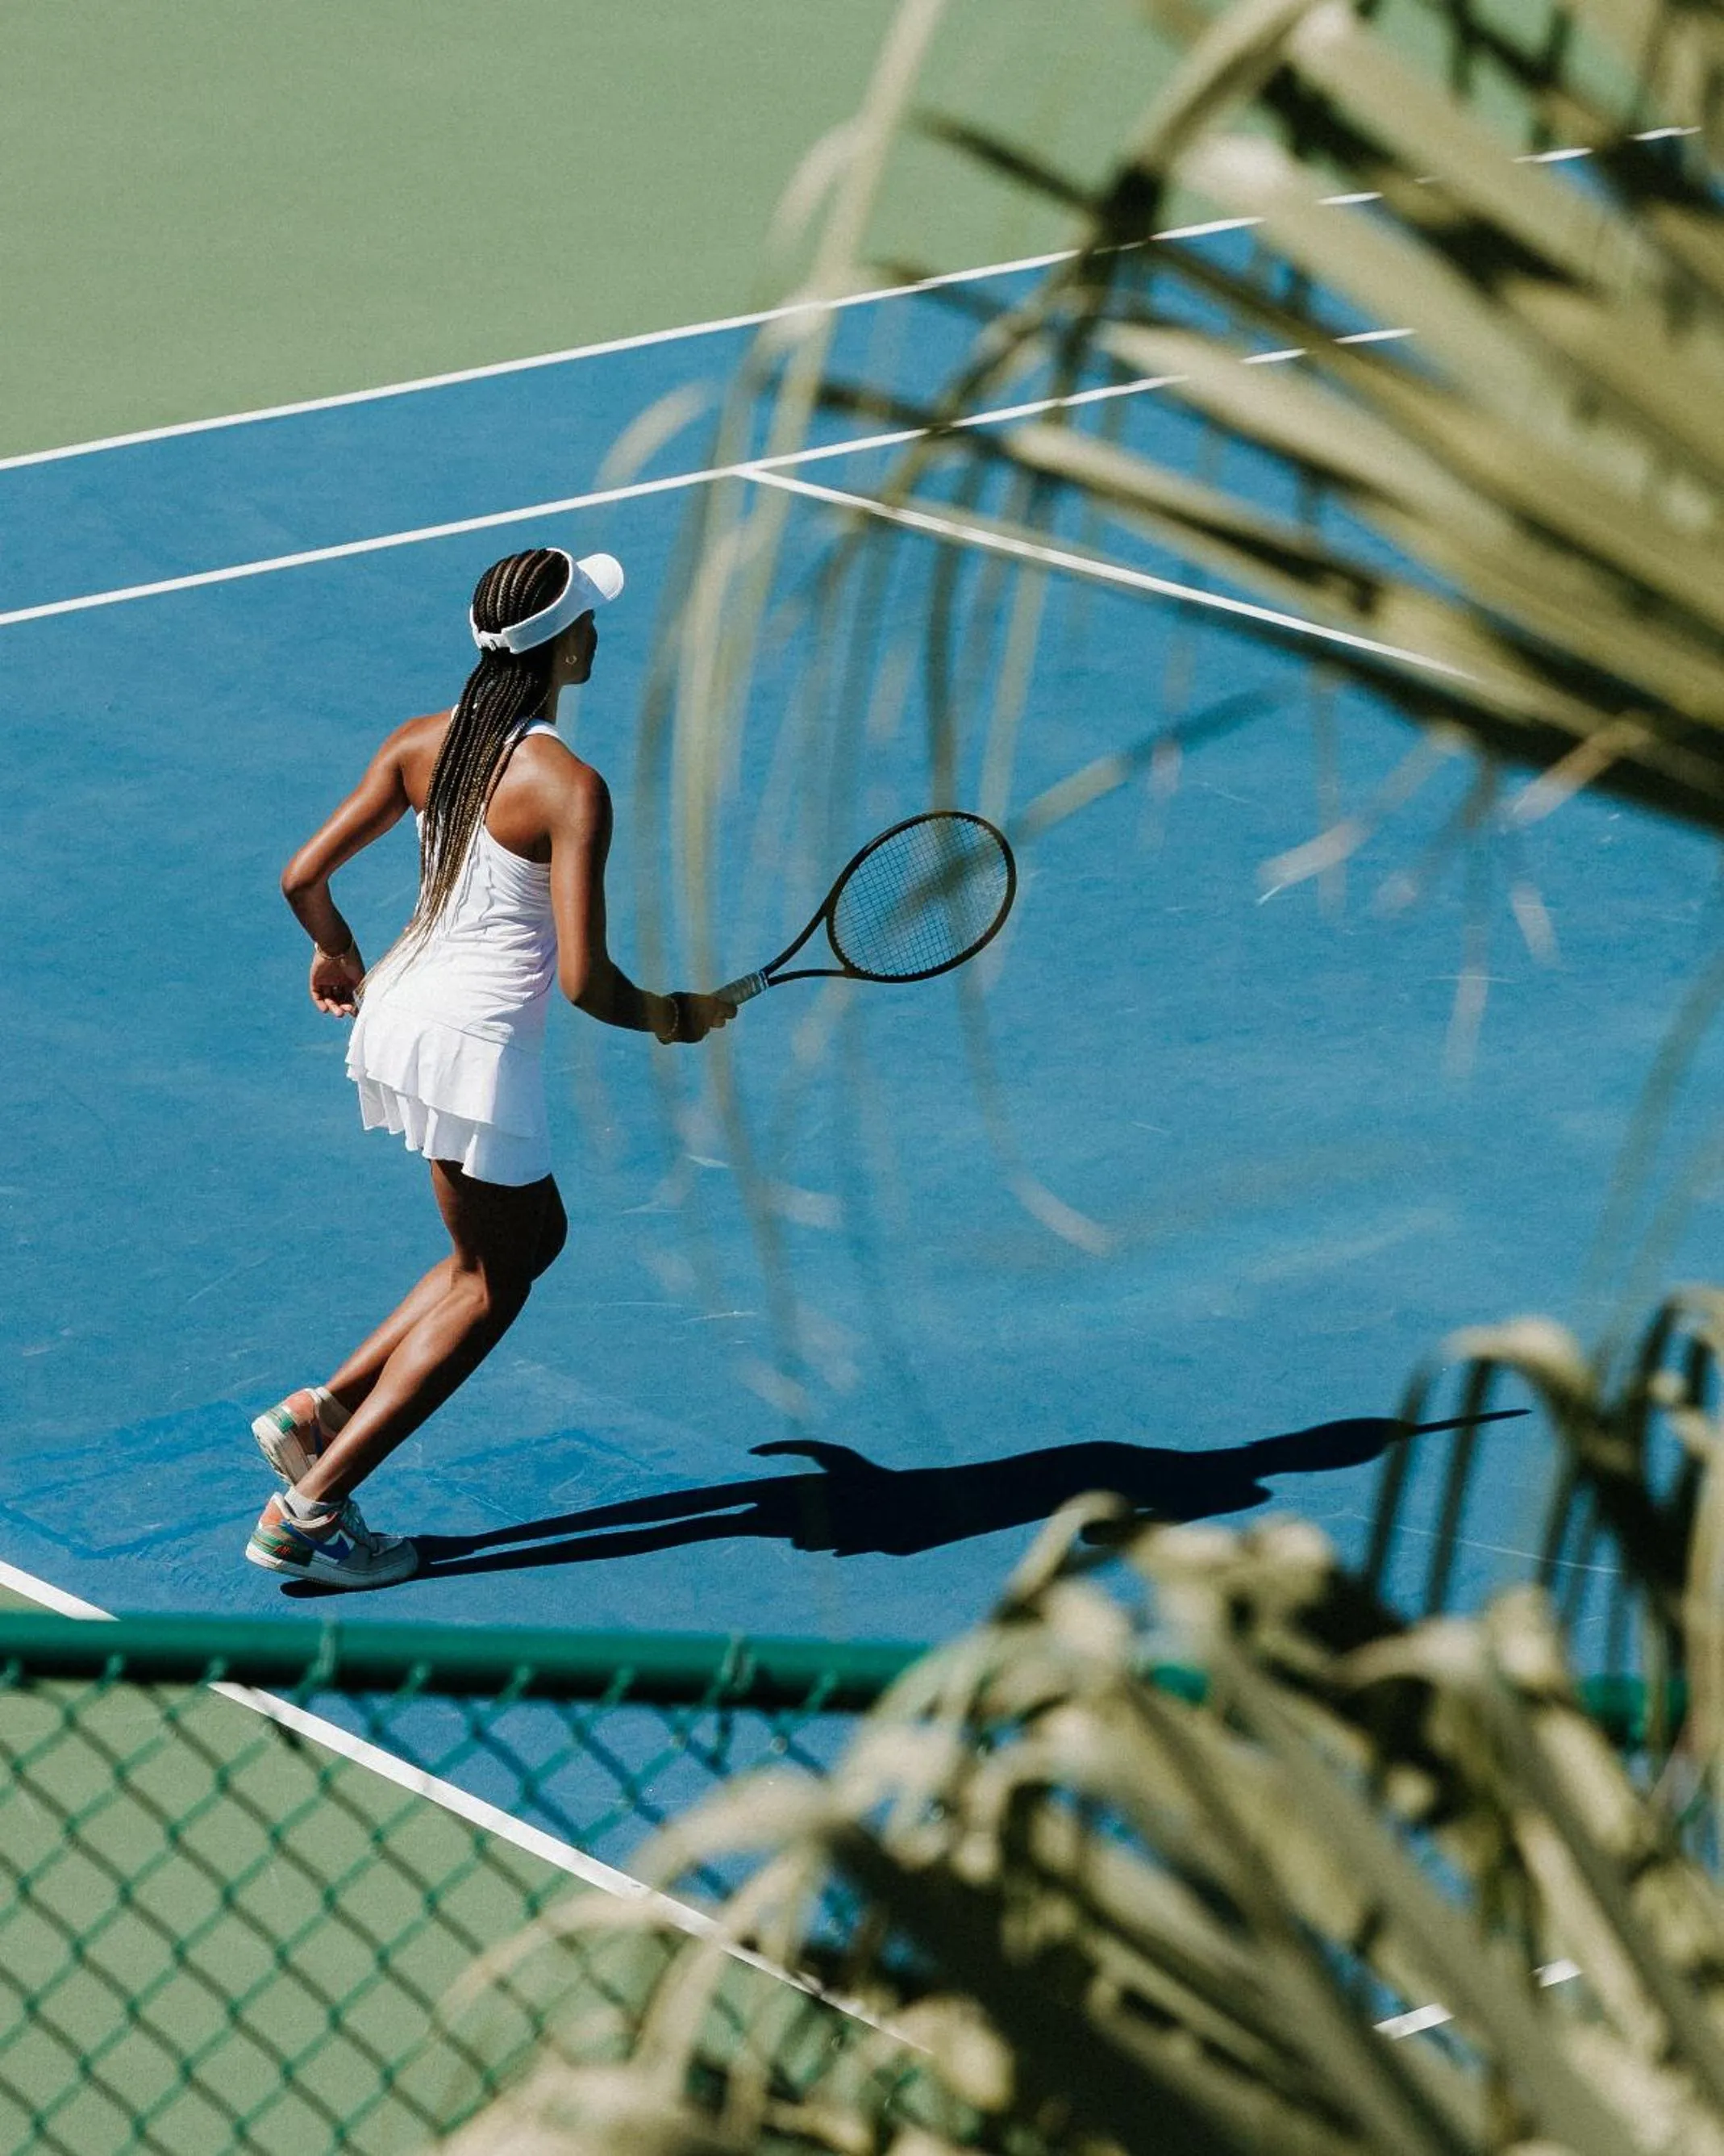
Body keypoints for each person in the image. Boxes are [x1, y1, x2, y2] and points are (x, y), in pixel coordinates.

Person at [247, 544, 734, 1591]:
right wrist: (673, 1015)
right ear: (559, 646)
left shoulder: (423, 743)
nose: (599, 631)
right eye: (588, 619)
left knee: (503, 1250)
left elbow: (302, 878)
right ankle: (312, 1511)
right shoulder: (569, 788)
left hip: (400, 1021)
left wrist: (334, 948)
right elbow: (583, 981)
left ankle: (318, 1411)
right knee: (494, 1284)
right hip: (472, 1050)